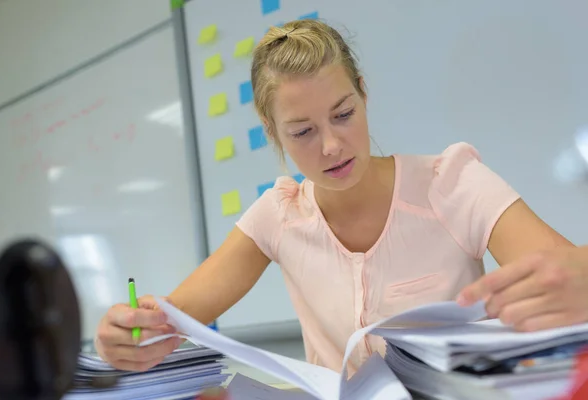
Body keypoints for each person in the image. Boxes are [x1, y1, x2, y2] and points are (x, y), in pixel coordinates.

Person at [94, 19, 585, 378]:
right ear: (274, 133)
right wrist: (130, 334)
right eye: (303, 131)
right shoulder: (278, 215)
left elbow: (566, 274)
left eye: (344, 114)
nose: (330, 145)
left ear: (364, 94)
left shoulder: (452, 183)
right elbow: (170, 320)